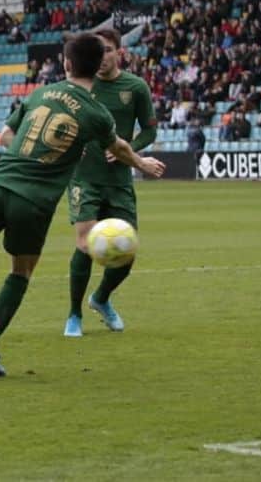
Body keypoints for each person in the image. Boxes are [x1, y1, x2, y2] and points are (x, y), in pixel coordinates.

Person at [0, 33, 165, 376]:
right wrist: (142, 163)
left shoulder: (40, 92)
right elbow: (118, 147)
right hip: (32, 202)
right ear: (96, 65)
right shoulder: (97, 113)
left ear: (66, 64)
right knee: (20, 272)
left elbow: (4, 137)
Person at [62, 29, 157, 338]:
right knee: (84, 243)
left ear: (119, 53)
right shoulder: (80, 87)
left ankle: (100, 299)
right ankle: (74, 315)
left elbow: (150, 131)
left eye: (106, 50)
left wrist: (127, 147)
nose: (101, 57)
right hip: (83, 178)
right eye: (97, 51)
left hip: (118, 181)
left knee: (126, 249)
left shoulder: (136, 87)